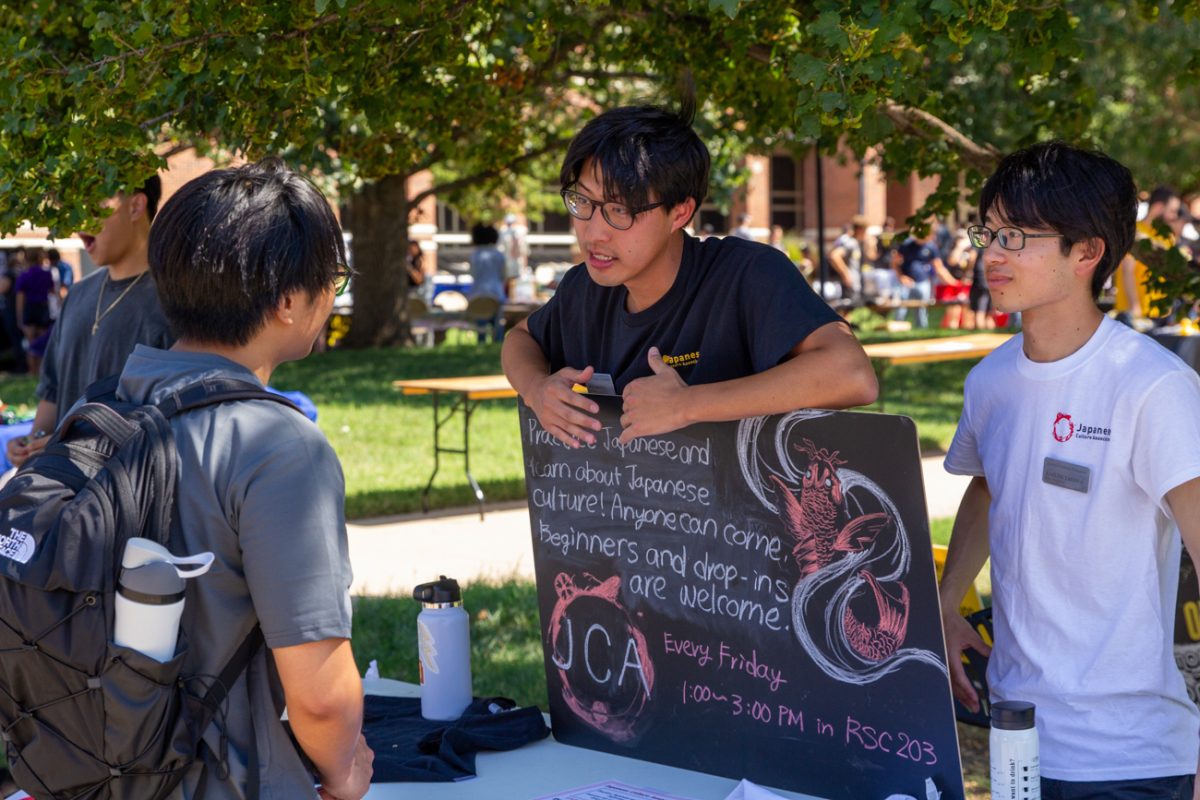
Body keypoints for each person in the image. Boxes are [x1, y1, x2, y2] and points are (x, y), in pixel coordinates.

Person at [939, 141, 1200, 798]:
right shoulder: (991, 380)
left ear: (1087, 253)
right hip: (1016, 742)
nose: (991, 254)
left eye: (1018, 236)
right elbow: (990, 484)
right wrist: (946, 602)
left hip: (1129, 759)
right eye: (989, 231)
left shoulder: (1151, 386)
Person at [133, 158, 372, 798]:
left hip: (86, 767)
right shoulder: (277, 446)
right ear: (288, 301)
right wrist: (343, 770)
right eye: (334, 278)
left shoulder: (95, 413)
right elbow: (320, 696)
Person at [501, 102, 877, 448]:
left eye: (619, 210)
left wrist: (687, 405)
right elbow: (520, 339)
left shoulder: (746, 275)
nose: (594, 231)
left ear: (680, 213)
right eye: (583, 201)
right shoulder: (584, 287)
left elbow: (852, 375)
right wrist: (537, 389)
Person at [6, 176, 173, 468]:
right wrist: (33, 442)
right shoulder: (78, 294)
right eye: (73, 207)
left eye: (92, 205)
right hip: (63, 491)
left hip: (131, 498)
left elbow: (176, 419)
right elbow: (53, 390)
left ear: (135, 206)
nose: (78, 220)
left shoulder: (176, 301)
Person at [1114, 185, 1180, 327]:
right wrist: (1135, 307)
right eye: (1172, 211)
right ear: (1158, 207)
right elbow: (1127, 271)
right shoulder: (1134, 232)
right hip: (1134, 315)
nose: (1175, 216)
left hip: (1160, 316)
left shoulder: (1167, 236)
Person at [890, 223, 960, 328]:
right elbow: (894, 263)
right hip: (906, 282)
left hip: (923, 282)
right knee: (901, 307)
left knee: (922, 309)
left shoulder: (931, 247)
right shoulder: (906, 245)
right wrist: (901, 277)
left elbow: (939, 268)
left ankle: (921, 330)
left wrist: (953, 282)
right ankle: (897, 328)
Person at [828, 215, 869, 300]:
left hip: (854, 284)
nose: (866, 234)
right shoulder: (851, 243)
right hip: (849, 284)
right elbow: (834, 256)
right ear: (860, 230)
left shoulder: (855, 243)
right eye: (865, 230)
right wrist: (846, 274)